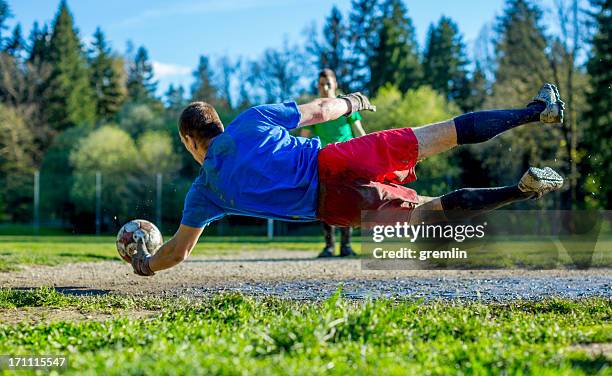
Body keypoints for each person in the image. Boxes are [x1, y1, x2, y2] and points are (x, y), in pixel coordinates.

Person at [130, 83, 565, 276]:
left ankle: (521, 189)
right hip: (337, 158)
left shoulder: (204, 191)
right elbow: (319, 111)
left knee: (429, 210)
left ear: (190, 141)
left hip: (330, 205)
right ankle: (535, 111)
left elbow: (178, 252)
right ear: (219, 124)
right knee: (438, 134)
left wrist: (145, 265)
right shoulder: (249, 122)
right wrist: (352, 102)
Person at [301, 69, 366, 258]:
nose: (325, 87)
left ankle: (346, 246)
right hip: (326, 161)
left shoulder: (345, 106)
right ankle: (329, 246)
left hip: (348, 160)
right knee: (326, 203)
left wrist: (370, 153)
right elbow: (305, 138)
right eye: (321, 84)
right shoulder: (314, 109)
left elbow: (359, 131)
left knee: (347, 202)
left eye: (328, 83)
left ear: (335, 84)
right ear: (318, 86)